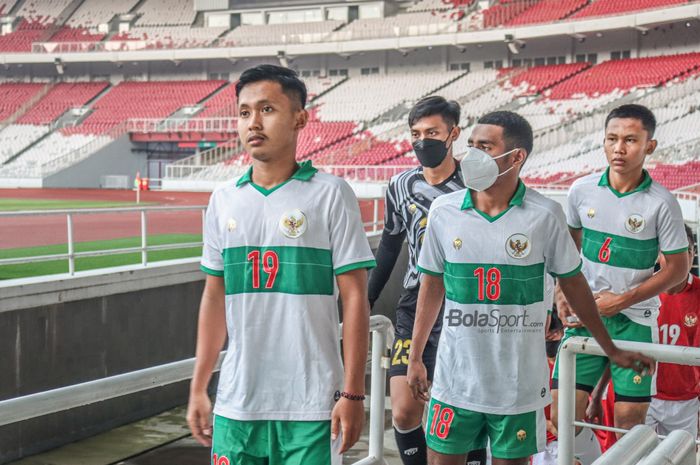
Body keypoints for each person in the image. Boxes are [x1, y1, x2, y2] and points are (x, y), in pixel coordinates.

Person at [407, 110, 653, 465]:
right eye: (471, 145)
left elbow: (576, 285)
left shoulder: (545, 215)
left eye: (486, 147)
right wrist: (416, 356)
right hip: (454, 383)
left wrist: (609, 348)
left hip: (518, 389)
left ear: (516, 156)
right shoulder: (444, 212)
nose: (472, 155)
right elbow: (431, 285)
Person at [186, 64, 376, 465]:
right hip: (238, 402)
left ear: (300, 118)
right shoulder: (223, 199)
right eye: (244, 112)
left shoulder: (330, 194)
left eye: (267, 109)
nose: (253, 122)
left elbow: (355, 297)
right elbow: (214, 295)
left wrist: (353, 392)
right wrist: (199, 386)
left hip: (311, 404)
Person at [551, 104, 689, 444]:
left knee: (628, 425)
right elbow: (568, 250)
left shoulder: (662, 202)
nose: (619, 148)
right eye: (612, 138)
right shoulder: (581, 191)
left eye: (630, 140)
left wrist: (623, 300)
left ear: (649, 146)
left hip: (636, 321)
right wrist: (561, 291)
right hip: (586, 315)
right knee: (561, 417)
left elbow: (677, 268)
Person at [368, 96, 485, 465]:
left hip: (467, 304)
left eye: (431, 133)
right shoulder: (400, 185)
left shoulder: (479, 184)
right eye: (415, 134)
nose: (422, 141)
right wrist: (364, 303)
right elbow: (389, 246)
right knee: (403, 410)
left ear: (454, 134)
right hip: (414, 304)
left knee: (467, 409)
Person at [589, 225, 700, 444]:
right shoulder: (637, 293)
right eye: (671, 252)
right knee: (636, 454)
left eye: (686, 250)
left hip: (685, 400)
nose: (681, 258)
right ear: (659, 255)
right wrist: (598, 394)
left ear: (693, 253)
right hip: (642, 394)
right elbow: (620, 347)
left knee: (680, 458)